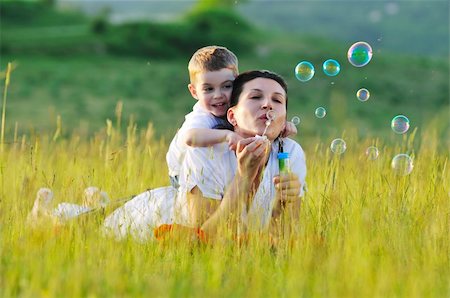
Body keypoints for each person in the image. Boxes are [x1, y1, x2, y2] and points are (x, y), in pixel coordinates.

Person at [103, 70, 306, 243]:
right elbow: (204, 239)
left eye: (277, 100)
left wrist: (285, 202)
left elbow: (282, 240)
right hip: (143, 226)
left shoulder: (289, 153)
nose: (267, 105)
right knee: (84, 219)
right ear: (232, 115)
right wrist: (244, 178)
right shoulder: (206, 150)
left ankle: (98, 200)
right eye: (255, 97)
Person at [166, 46, 297, 188]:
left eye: (227, 86)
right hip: (181, 175)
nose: (218, 95)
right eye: (208, 89)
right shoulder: (201, 116)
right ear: (194, 92)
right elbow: (189, 138)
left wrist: (280, 124)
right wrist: (227, 135)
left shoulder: (234, 108)